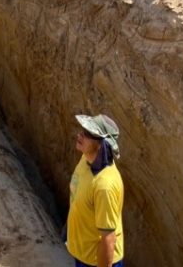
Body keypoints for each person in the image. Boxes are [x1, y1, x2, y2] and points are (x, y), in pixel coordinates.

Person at [66, 114, 125, 267]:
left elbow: (108, 238)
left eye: (87, 134)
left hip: (97, 262)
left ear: (101, 145)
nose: (80, 135)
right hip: (84, 255)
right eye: (82, 130)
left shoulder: (105, 186)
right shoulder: (86, 160)